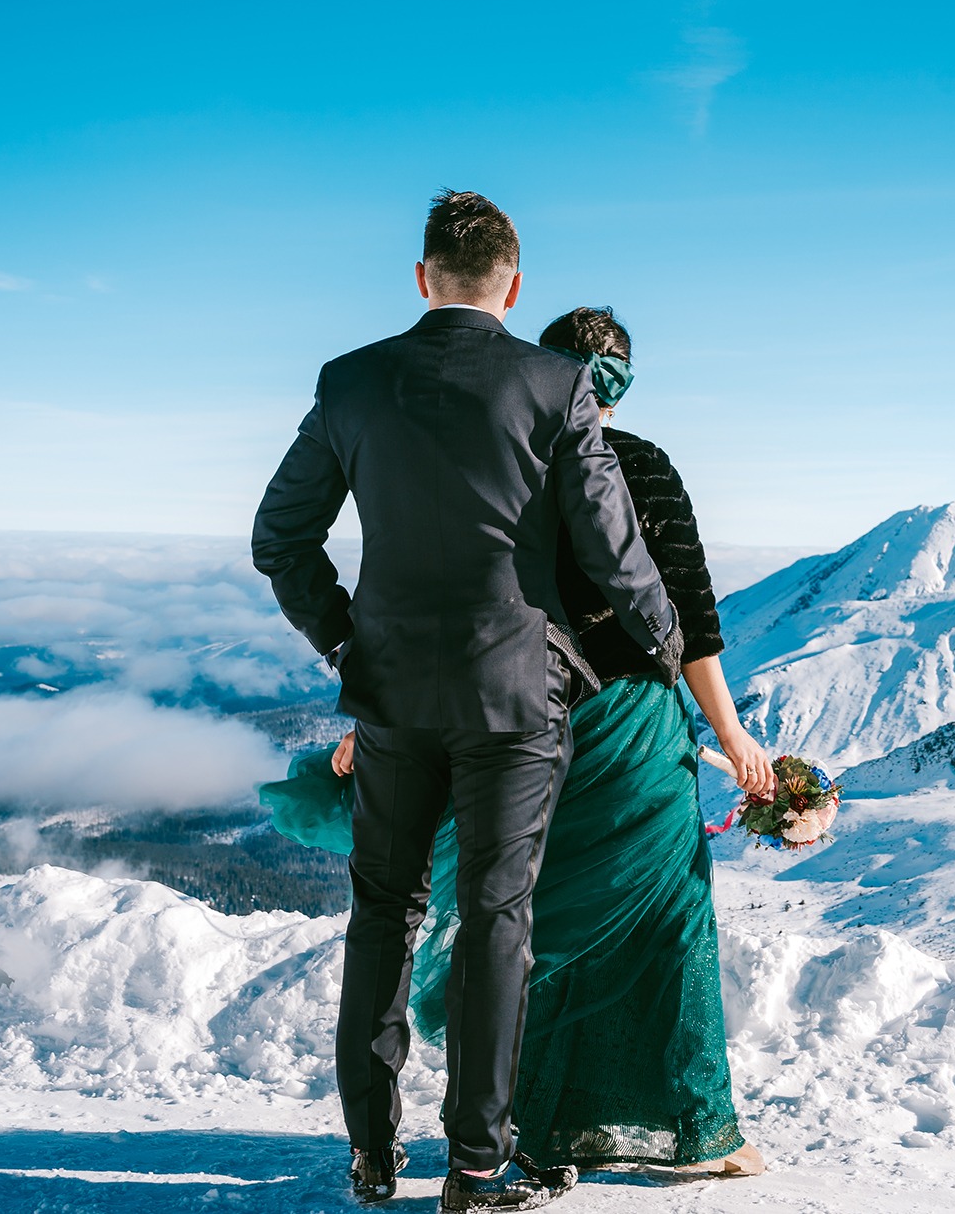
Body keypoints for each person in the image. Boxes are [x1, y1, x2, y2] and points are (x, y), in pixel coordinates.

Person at [252, 191, 680, 1212]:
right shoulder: (556, 385)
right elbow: (612, 547)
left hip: (391, 696)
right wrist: (663, 643)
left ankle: (370, 1152)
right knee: (496, 919)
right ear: (513, 287)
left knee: (381, 913)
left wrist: (346, 638)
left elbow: (279, 538)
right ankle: (475, 1169)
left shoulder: (350, 382)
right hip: (515, 695)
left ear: (421, 277)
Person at [294, 307, 775, 1176]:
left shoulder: (513, 461)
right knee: (666, 918)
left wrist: (377, 710)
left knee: (524, 921)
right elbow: (687, 612)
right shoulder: (645, 467)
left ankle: (516, 1123)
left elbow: (452, 603)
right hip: (632, 730)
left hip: (519, 711)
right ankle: (691, 1125)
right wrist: (729, 730)